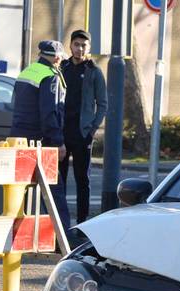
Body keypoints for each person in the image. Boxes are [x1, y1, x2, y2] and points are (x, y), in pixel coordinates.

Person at [11, 41, 68, 230]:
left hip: (18, 138)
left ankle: (20, 234)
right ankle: (61, 237)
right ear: (57, 57)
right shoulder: (50, 76)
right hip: (40, 141)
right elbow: (49, 113)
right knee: (54, 190)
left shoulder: (26, 72)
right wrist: (58, 142)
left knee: (21, 190)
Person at [61, 29, 107, 226]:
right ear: (70, 46)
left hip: (82, 134)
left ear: (89, 48)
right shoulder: (62, 68)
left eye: (84, 45)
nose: (80, 49)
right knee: (59, 180)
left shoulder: (94, 72)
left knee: (82, 180)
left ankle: (82, 222)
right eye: (76, 44)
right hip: (61, 134)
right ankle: (60, 222)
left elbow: (102, 104)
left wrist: (92, 128)